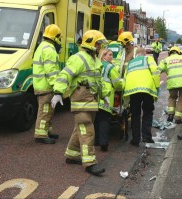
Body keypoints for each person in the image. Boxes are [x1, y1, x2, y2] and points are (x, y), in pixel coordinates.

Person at [51, 30, 110, 176]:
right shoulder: (78, 58)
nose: (100, 46)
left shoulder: (94, 60)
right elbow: (64, 75)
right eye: (98, 43)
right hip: (81, 102)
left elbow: (98, 81)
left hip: (91, 102)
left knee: (80, 130)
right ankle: (90, 163)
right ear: (90, 43)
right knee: (87, 131)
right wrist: (58, 92)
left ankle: (71, 155)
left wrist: (105, 95)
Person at [123, 48, 160, 147]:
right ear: (144, 54)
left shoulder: (130, 63)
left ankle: (135, 139)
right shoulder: (148, 59)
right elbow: (156, 73)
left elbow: (125, 77)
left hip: (133, 90)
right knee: (148, 112)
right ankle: (147, 137)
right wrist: (157, 87)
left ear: (136, 55)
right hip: (147, 89)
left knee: (135, 114)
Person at [33, 24, 62, 144]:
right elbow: (51, 71)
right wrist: (57, 87)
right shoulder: (50, 50)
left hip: (40, 85)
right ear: (55, 37)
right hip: (46, 86)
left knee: (49, 110)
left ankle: (47, 131)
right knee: (45, 111)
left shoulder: (42, 46)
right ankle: (41, 135)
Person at [94, 49, 123, 152]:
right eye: (110, 55)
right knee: (104, 120)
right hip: (106, 96)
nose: (112, 57)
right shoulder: (110, 67)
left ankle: (96, 140)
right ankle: (104, 143)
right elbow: (117, 83)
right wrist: (123, 84)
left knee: (96, 119)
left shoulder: (96, 64)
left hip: (95, 96)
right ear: (104, 56)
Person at [158, 46, 182, 124]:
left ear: (169, 53)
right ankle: (178, 118)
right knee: (181, 100)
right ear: (178, 52)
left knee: (172, 98)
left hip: (172, 82)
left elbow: (158, 70)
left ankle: (170, 116)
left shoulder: (165, 60)